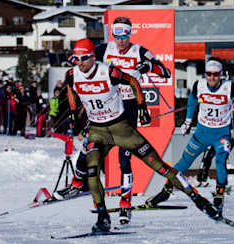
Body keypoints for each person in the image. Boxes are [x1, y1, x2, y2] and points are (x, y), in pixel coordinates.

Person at [64, 39, 220, 234]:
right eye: (76, 59)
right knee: (92, 170)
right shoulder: (72, 74)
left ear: (93, 57)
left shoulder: (108, 71)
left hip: (121, 128)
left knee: (159, 166)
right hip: (98, 130)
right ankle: (102, 217)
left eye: (84, 58)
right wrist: (72, 110)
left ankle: (199, 199)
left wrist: (142, 106)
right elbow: (71, 88)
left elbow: (133, 81)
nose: (80, 63)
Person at [143, 60, 234, 215]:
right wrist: (188, 120)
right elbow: (192, 99)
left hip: (221, 134)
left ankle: (219, 196)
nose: (212, 78)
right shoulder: (199, 85)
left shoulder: (230, 86)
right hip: (202, 133)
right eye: (209, 74)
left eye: (215, 74)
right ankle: (166, 191)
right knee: (183, 162)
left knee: (220, 161)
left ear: (220, 74)